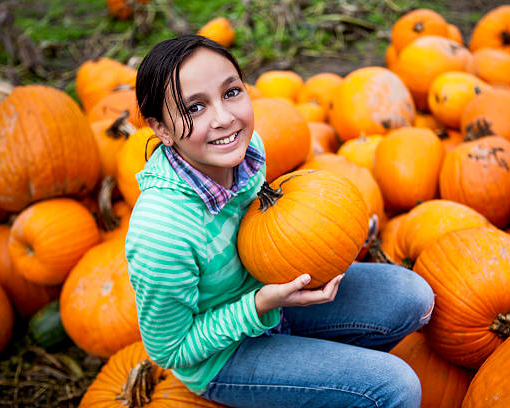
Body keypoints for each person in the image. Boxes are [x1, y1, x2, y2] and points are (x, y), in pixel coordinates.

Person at [126, 34, 435, 408]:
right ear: (160, 128)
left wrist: (328, 238)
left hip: (274, 296)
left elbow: (272, 233)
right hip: (223, 357)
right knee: (395, 387)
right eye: (194, 108)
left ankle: (316, 383)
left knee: (412, 296)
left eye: (231, 92)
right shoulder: (162, 232)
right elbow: (171, 351)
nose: (225, 119)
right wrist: (257, 306)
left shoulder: (247, 149)